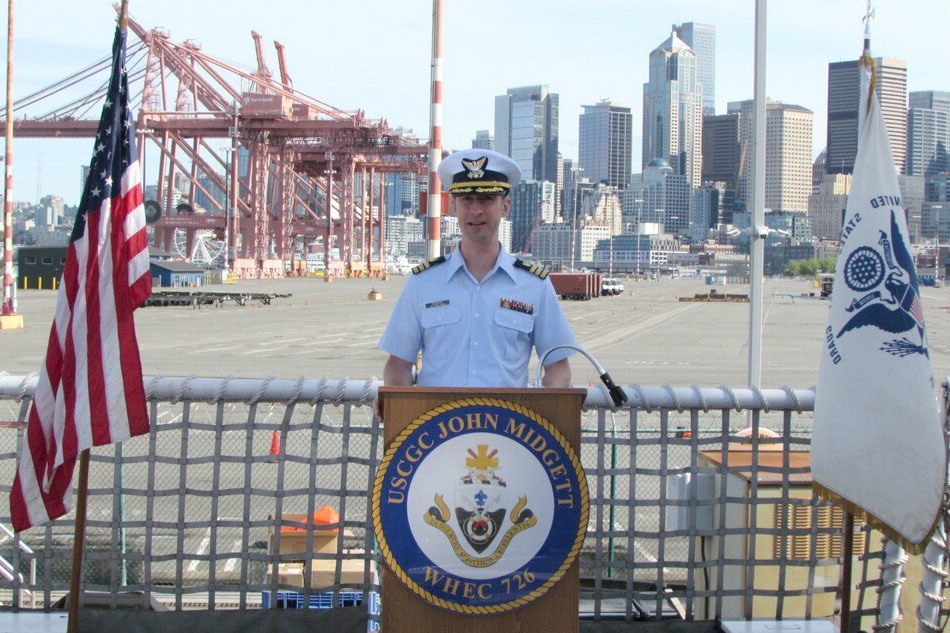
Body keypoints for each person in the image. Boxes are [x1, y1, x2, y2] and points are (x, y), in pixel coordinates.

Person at [377, 148, 577, 398]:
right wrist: (397, 409)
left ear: (505, 207)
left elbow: (559, 368)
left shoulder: (534, 285)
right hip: (438, 431)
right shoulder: (423, 282)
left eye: (485, 200)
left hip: (507, 430)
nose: (475, 210)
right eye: (467, 200)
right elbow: (398, 367)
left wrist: (541, 418)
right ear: (454, 207)